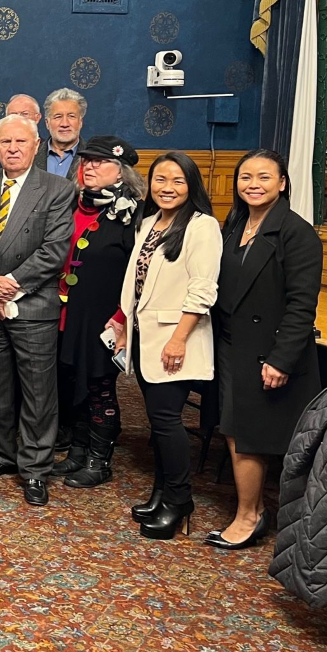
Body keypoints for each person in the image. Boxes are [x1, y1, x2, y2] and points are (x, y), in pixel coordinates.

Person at [0, 113, 75, 507]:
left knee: (39, 392)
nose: (13, 149)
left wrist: (12, 286)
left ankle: (36, 468)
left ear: (36, 145)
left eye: (21, 142)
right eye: (5, 143)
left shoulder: (57, 189)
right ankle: (4, 454)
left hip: (32, 305)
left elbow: (55, 251)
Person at [208, 149, 322, 550]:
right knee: (235, 429)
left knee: (248, 433)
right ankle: (252, 508)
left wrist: (281, 358)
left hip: (269, 353)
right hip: (231, 344)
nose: (253, 185)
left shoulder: (297, 232)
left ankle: (249, 516)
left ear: (283, 183)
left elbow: (302, 304)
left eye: (264, 177)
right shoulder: (235, 223)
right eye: (245, 178)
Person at [109, 151, 221, 539]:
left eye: (177, 180)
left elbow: (203, 290)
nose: (167, 188)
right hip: (145, 335)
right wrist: (124, 323)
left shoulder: (202, 226)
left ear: (191, 185)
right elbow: (136, 283)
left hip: (177, 341)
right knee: (158, 422)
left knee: (169, 422)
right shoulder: (150, 221)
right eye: (160, 179)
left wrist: (178, 338)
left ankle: (180, 502)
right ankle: (161, 493)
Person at [50, 136, 144, 489]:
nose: (90, 167)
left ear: (121, 171)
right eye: (86, 161)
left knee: (100, 387)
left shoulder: (133, 214)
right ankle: (77, 451)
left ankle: (98, 459)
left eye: (100, 163)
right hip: (65, 315)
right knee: (71, 383)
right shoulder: (69, 205)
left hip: (105, 319)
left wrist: (123, 320)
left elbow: (139, 274)